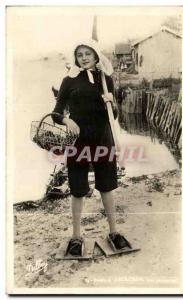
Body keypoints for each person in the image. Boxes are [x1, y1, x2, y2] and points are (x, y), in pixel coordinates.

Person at [52, 40, 127, 256]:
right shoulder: (69, 80)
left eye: (88, 53)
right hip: (78, 141)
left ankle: (114, 232)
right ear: (75, 58)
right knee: (77, 187)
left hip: (103, 138)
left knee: (106, 185)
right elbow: (57, 113)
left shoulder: (106, 80)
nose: (84, 58)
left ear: (96, 56)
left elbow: (112, 117)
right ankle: (76, 236)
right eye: (80, 54)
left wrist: (111, 103)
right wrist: (67, 121)